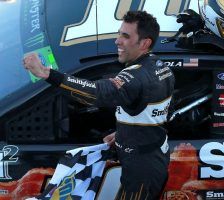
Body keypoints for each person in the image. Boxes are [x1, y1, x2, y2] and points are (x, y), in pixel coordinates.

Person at [23, 10, 175, 199]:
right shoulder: (162, 67)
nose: (117, 41)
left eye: (125, 36)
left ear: (145, 43)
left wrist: (48, 74)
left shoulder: (137, 76)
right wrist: (125, 133)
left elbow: (97, 93)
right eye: (119, 33)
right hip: (151, 155)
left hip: (142, 169)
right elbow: (154, 111)